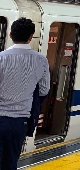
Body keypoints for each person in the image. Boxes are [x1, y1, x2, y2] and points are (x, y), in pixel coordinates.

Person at [0, 18, 50, 170]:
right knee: (10, 161)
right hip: (20, 121)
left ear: (10, 35)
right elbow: (44, 90)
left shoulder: (1, 58)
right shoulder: (41, 60)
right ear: (31, 37)